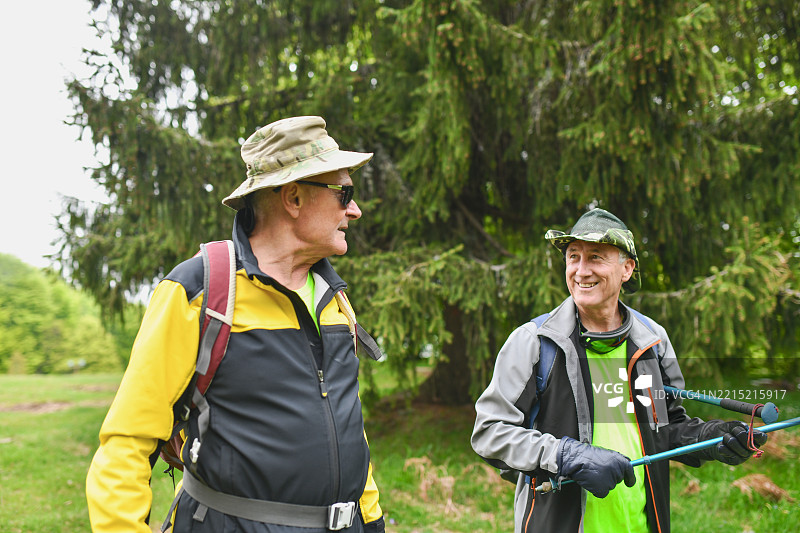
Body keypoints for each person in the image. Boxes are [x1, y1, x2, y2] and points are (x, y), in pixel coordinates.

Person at [86, 116, 385, 533]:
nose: (354, 209)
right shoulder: (199, 290)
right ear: (294, 197)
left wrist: (371, 519)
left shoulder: (333, 297)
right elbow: (127, 441)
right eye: (343, 193)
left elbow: (347, 427)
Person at [470, 208, 766, 533]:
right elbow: (490, 432)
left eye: (595, 257)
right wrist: (567, 455)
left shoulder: (652, 340)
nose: (581, 271)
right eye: (573, 257)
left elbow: (664, 429)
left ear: (627, 269)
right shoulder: (534, 343)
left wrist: (711, 438)